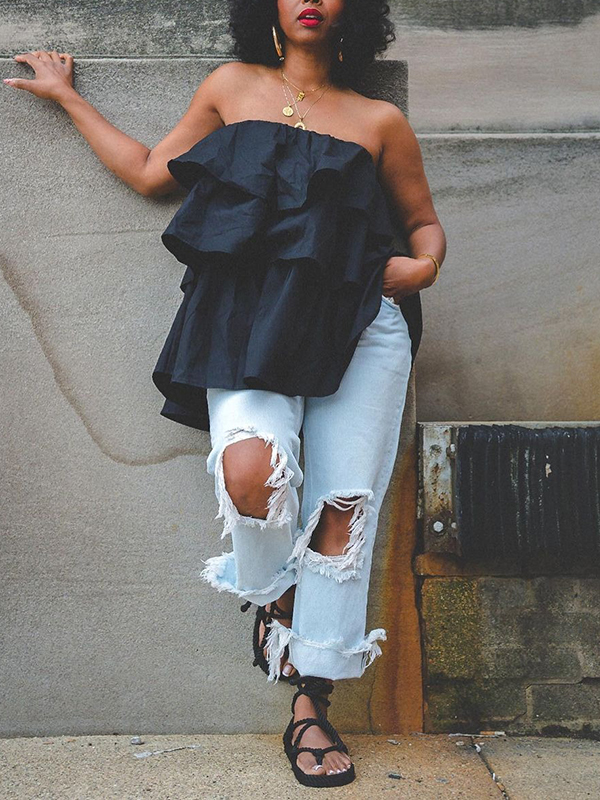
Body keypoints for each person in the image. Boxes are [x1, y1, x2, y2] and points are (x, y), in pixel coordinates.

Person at [5, 0, 446, 787]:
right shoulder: (230, 85)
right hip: (248, 318)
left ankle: (311, 700)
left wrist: (424, 266)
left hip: (361, 322)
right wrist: (68, 97)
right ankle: (278, 602)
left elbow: (423, 223)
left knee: (343, 508)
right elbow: (151, 174)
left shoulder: (379, 120)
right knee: (251, 473)